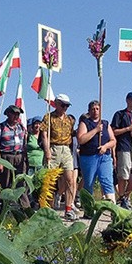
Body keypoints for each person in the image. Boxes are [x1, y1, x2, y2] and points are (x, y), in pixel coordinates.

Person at [40, 93, 77, 221]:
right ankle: (48, 209)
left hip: (66, 150)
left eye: (67, 106)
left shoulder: (70, 120)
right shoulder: (48, 117)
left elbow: (73, 135)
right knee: (50, 180)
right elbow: (44, 135)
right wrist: (47, 151)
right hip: (53, 148)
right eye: (63, 105)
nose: (65, 108)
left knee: (70, 179)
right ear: (56, 103)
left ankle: (68, 208)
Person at [77, 100, 116, 210]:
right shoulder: (85, 123)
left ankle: (113, 209)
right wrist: (96, 130)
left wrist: (105, 146)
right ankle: (88, 208)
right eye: (93, 109)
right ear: (89, 111)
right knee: (89, 182)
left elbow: (113, 140)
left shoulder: (106, 123)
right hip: (89, 157)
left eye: (97, 109)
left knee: (107, 181)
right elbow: (81, 139)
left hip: (104, 157)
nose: (95, 111)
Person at [0, 105, 30, 208]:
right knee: (6, 184)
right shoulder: (0, 127)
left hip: (19, 156)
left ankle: (25, 208)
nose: (16, 116)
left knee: (21, 184)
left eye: (18, 114)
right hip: (6, 156)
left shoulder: (21, 127)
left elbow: (24, 144)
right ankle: (5, 208)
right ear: (8, 114)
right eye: (14, 114)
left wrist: (25, 159)